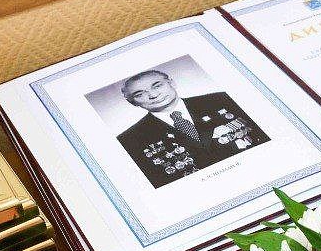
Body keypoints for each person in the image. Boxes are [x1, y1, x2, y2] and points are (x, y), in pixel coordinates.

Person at [114, 69, 269, 188]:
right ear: (132, 102)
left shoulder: (223, 100)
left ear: (172, 83)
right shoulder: (129, 140)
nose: (153, 95)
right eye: (139, 94)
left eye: (157, 85)